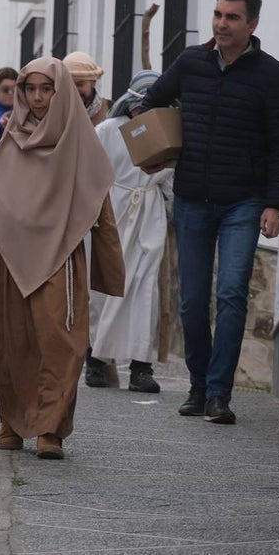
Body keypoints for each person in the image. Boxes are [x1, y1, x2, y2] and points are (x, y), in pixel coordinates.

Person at [139, 0, 279, 425]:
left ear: (252, 24)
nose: (221, 23)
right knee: (191, 300)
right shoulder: (190, 63)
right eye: (217, 14)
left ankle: (218, 394)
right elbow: (150, 103)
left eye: (231, 17)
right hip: (191, 199)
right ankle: (197, 386)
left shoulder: (271, 75)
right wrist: (154, 150)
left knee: (229, 295)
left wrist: (275, 204)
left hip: (243, 204)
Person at [0, 57, 124, 460]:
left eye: (45, 89)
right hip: (9, 260)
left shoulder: (80, 143)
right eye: (29, 89)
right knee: (11, 342)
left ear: (60, 92)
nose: (36, 98)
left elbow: (99, 204)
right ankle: (12, 420)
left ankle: (50, 427)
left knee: (60, 341)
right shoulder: (10, 143)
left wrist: (110, 265)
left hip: (61, 259)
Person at [84, 71, 172, 393]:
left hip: (147, 216)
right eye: (140, 106)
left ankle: (140, 367)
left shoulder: (167, 133)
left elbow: (173, 178)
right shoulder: (107, 131)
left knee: (144, 289)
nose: (143, 114)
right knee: (103, 289)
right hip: (111, 214)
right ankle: (95, 359)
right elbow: (89, 171)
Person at [62, 52, 112, 125]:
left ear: (93, 82)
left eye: (79, 84)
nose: (74, 91)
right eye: (69, 85)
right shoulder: (54, 114)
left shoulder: (114, 113)